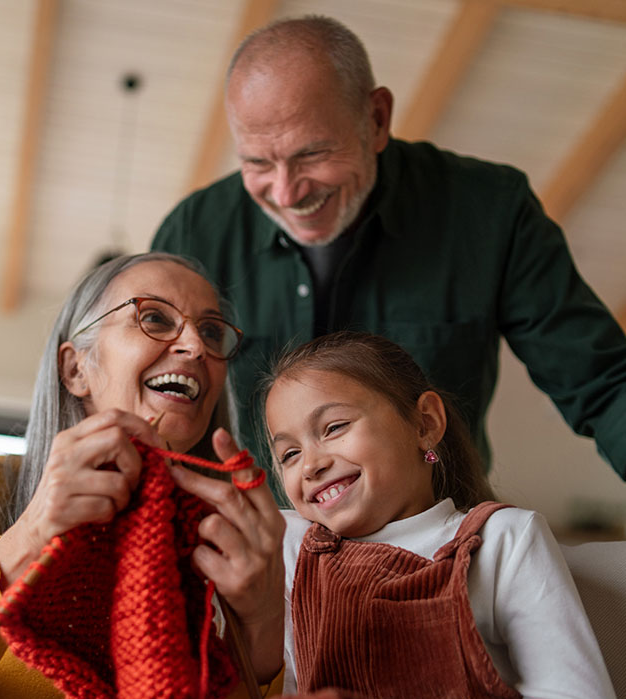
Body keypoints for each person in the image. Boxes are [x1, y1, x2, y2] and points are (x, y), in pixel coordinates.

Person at [150, 14, 626, 481]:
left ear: (377, 119)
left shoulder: (492, 211)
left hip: (438, 542)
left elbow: (602, 383)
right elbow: (146, 405)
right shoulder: (194, 232)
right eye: (258, 163)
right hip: (253, 544)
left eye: (312, 154)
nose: (287, 193)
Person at [0, 252, 286, 699]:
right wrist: (26, 539)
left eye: (211, 331)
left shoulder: (234, 551)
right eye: (155, 317)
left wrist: (261, 628)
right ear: (75, 369)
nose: (194, 345)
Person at [250, 331, 625, 699]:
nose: (312, 465)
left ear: (425, 424)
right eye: (289, 455)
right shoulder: (293, 549)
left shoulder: (504, 538)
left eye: (334, 428)